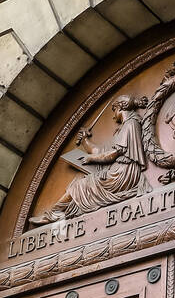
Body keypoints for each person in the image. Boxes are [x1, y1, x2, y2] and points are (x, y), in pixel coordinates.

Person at [29, 95, 151, 223]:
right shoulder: (126, 126)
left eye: (114, 110)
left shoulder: (131, 124)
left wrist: (91, 158)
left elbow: (114, 153)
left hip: (122, 174)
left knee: (79, 186)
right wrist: (84, 141)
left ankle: (54, 213)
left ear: (120, 108)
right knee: (78, 181)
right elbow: (102, 152)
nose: (113, 116)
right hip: (118, 171)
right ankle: (58, 212)